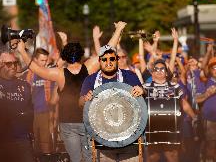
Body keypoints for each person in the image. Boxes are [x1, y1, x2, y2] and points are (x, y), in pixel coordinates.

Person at [16, 21, 127, 162]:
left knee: (74, 159)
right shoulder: (89, 67)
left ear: (65, 56)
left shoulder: (59, 74)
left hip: (67, 123)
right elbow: (108, 49)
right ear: (80, 55)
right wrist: (118, 30)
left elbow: (38, 70)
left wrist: (22, 51)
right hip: (87, 121)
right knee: (89, 158)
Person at [79, 45, 145, 162]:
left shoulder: (129, 76)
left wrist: (142, 90)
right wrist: (85, 98)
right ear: (99, 61)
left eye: (112, 59)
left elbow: (142, 95)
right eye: (104, 59)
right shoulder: (90, 80)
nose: (108, 62)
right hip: (102, 143)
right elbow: (80, 103)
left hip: (130, 141)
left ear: (117, 60)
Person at [0, 51, 35, 162]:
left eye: (15, 63)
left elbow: (30, 112)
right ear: (0, 64)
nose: (13, 66)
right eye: (9, 63)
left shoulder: (25, 85)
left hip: (22, 141)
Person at [143, 59, 196, 162]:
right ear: (152, 72)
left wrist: (194, 117)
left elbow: (183, 103)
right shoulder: (145, 87)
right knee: (153, 157)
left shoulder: (175, 87)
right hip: (152, 130)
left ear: (167, 72)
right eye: (156, 69)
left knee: (172, 156)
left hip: (171, 129)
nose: (159, 71)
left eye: (162, 69)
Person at [23, 48, 59, 162]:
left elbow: (56, 98)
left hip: (45, 113)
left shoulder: (50, 74)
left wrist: (55, 118)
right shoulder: (26, 76)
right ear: (35, 60)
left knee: (46, 145)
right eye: (42, 60)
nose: (45, 63)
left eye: (46, 60)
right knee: (32, 145)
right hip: (31, 114)